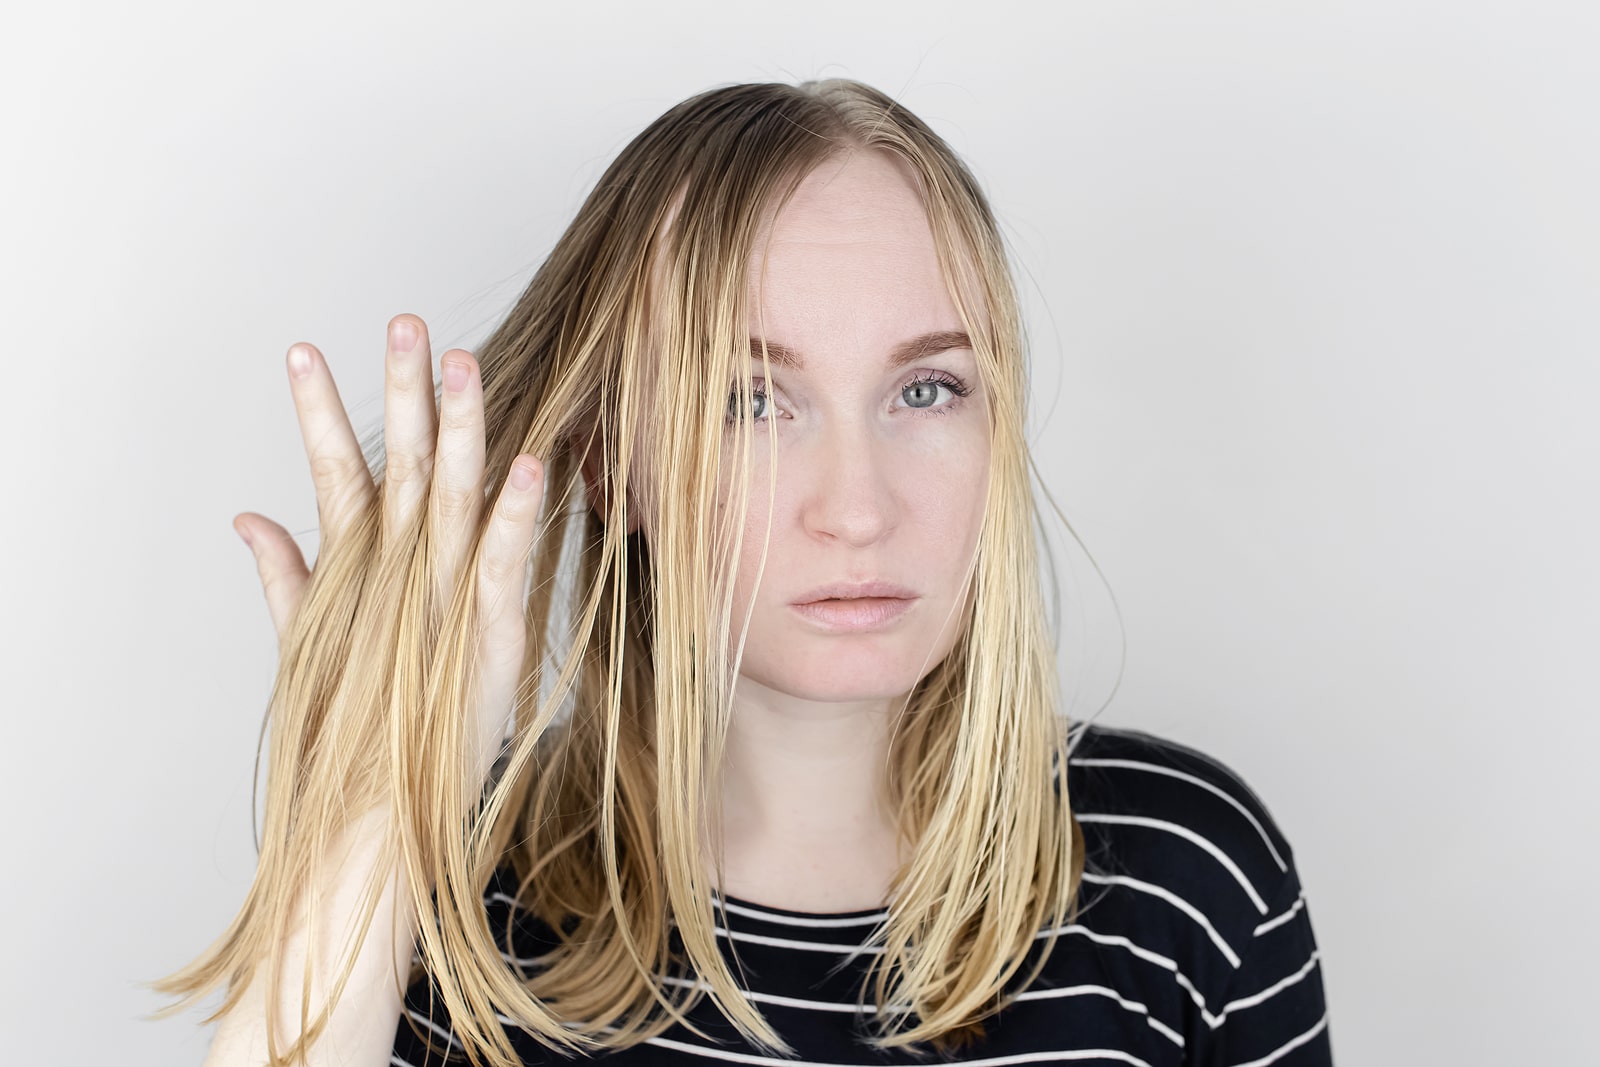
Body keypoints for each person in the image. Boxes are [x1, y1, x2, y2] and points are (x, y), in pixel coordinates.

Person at [154, 78, 1333, 1066]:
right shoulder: (457, 900)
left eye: (927, 389)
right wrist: (378, 816)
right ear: (611, 461)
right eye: (749, 401)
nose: (858, 508)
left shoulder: (1187, 876)